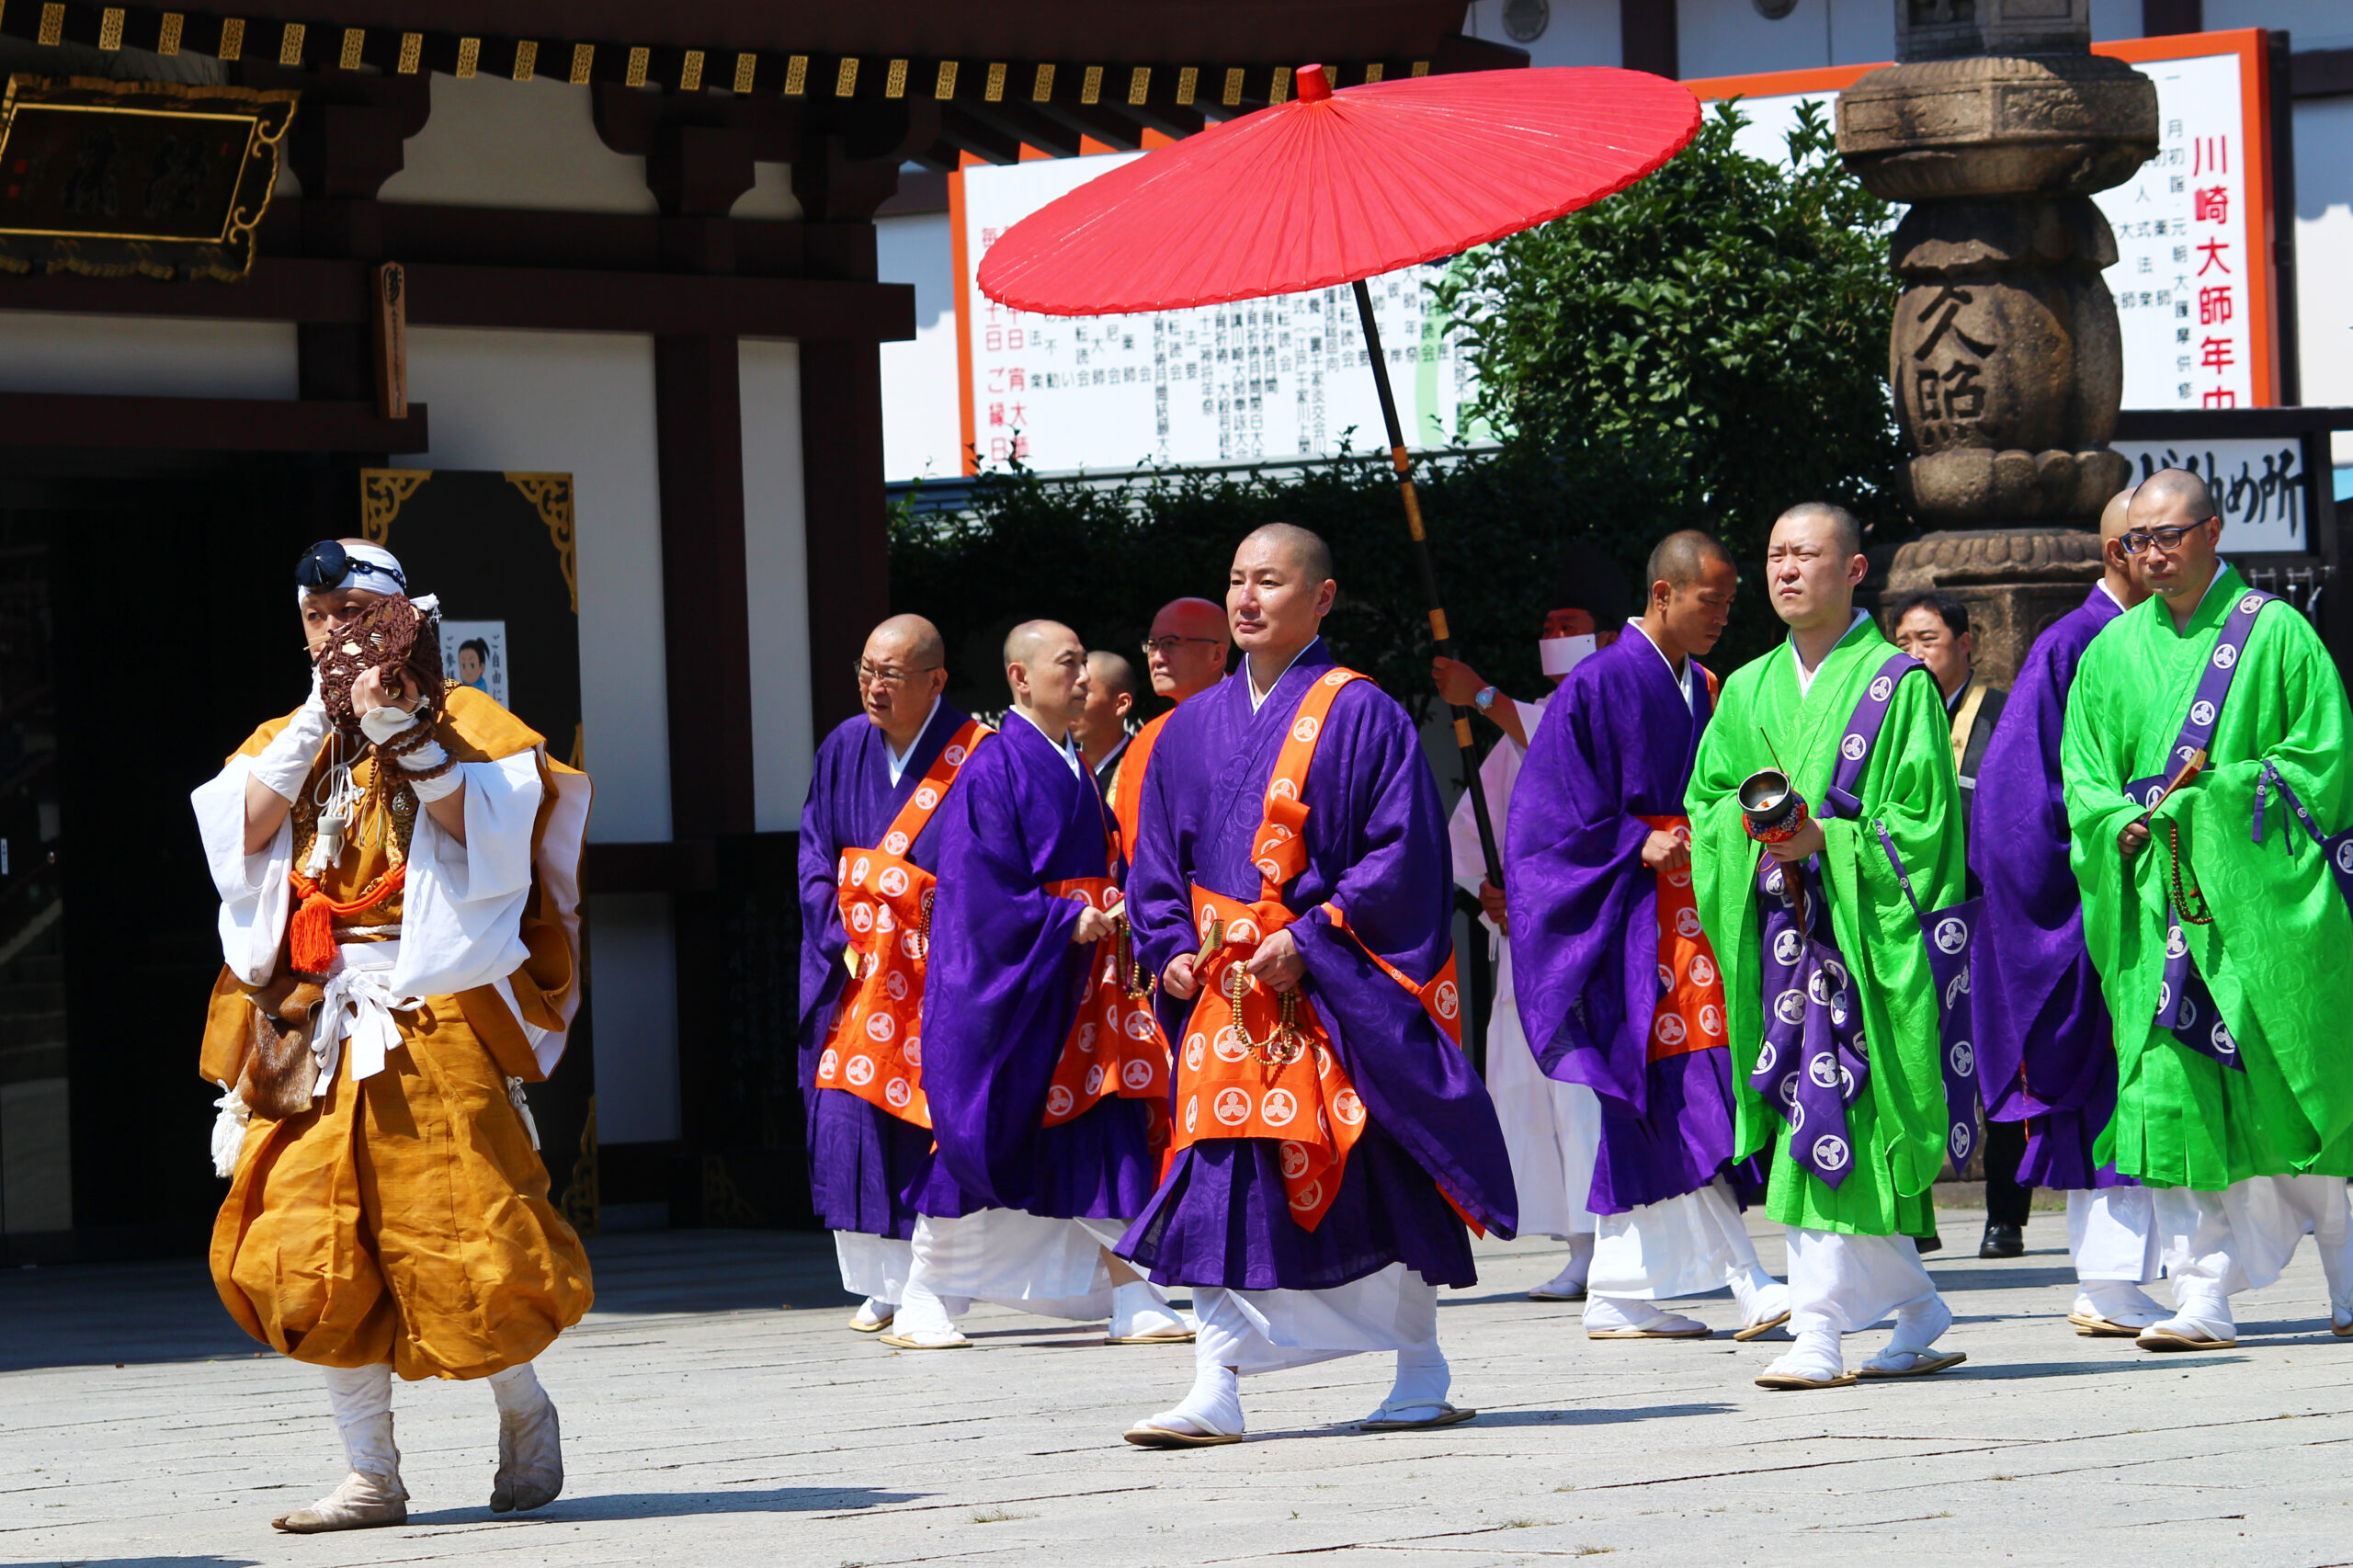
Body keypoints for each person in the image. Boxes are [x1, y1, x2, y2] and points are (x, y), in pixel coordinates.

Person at [192, 539, 591, 1531]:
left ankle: (522, 1407)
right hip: (311, 1015)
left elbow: (504, 834)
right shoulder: (289, 733)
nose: (336, 630)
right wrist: (318, 723)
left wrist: (405, 734)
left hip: (432, 1006)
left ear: (404, 617)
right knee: (302, 1243)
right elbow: (234, 830)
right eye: (318, 615)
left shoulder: (470, 718)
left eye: (355, 611)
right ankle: (371, 1471)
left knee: (468, 1229)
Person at [1117, 523, 1518, 1445]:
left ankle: (1419, 1362)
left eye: (1269, 580)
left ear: (1322, 598)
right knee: (1213, 1170)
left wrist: (1313, 936)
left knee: (1373, 1175)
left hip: (1327, 987)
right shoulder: (1187, 732)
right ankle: (1214, 1379)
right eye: (1235, 580)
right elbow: (1156, 868)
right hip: (1226, 998)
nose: (1247, 596)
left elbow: (1400, 856)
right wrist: (1170, 943)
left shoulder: (1362, 711)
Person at [2062, 467, 2353, 1352]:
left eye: (2168, 537)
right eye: (2134, 543)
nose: (2150, 555)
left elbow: (2321, 768)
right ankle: (2203, 1298)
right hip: (2155, 908)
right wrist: (2119, 823)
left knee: (2294, 1098)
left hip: (2255, 919)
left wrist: (2207, 804)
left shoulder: (2278, 636)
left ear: (2214, 531)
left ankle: (2347, 1278)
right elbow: (2083, 780)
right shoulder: (2110, 652)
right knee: (2175, 1100)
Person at [1688, 503, 1969, 1389]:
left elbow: (1924, 827)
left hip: (1858, 942)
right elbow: (1707, 806)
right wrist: (1757, 836)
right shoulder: (1745, 688)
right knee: (1810, 1120)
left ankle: (1817, 1330)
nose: (1785, 570)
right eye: (1773, 555)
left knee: (1843, 1118)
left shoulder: (1899, 684)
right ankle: (1916, 1308)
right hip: (1777, 937)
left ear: (1853, 571)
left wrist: (1832, 846)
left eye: (1805, 554)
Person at [1509, 530, 1792, 1341]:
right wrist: (1633, 841)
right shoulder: (1596, 684)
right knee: (1686, 1087)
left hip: (1698, 912)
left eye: (1730, 603)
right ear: (1663, 594)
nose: (1722, 617)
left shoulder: (1704, 686)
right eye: (1712, 601)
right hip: (1637, 926)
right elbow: (1545, 816)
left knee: (1658, 1101)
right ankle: (1747, 1279)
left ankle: (1618, 1291)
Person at [883, 619, 1188, 1350]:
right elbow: (975, 892)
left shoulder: (1071, 762)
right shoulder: (992, 767)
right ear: (1020, 678)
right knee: (984, 1132)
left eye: (1085, 664)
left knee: (1104, 1125)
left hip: (1085, 983)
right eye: (1068, 665)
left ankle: (1134, 1292)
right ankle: (925, 1291)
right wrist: (1059, 921)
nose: (1083, 678)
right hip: (1024, 981)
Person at [1972, 487, 2168, 1335]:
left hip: (2165, 900)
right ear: (2119, 551)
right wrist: (2086, 885)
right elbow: (2016, 809)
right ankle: (2112, 1283)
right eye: (2150, 544)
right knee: (2103, 1092)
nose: (2167, 560)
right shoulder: (2074, 644)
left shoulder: (2168, 643)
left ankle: (2138, 1277)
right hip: (2101, 903)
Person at [1429, 547, 1625, 1301]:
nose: (1552, 631)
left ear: (1605, 639)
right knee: (1529, 1090)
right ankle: (1578, 1243)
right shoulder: (1521, 730)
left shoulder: (1606, 707)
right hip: (1524, 943)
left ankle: (1612, 1237)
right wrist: (1488, 893)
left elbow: (1569, 754)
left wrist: (1482, 696)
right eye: (1546, 622)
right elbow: (1463, 838)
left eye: (1567, 623)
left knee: (1582, 1091)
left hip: (1585, 937)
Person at [797, 614, 978, 1335]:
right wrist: (835, 928)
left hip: (939, 972)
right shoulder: (845, 745)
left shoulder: (977, 755)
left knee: (931, 1123)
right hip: (858, 964)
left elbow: (990, 862)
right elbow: (816, 845)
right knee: (850, 1120)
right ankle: (881, 1278)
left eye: (891, 675)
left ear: (935, 679)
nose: (873, 686)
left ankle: (933, 1280)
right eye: (866, 670)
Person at [1890, 589, 2030, 1259]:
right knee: (1911, 1059)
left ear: (1966, 644)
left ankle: (2005, 1213)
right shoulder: (1884, 721)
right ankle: (1914, 1215)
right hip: (1909, 916)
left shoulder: (2002, 716)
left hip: (1988, 915)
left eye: (1928, 640)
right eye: (1904, 643)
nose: (1914, 654)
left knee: (1997, 1060)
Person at [1107, 597, 1232, 857]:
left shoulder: (1254, 722)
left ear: (1217, 655)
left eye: (1170, 644)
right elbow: (1120, 835)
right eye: (1152, 645)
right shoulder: (1147, 738)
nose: (1157, 658)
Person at [1075, 650, 1141, 798]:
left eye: (1083, 693)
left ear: (1121, 704)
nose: (1070, 701)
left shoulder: (1143, 768)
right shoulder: (1057, 763)